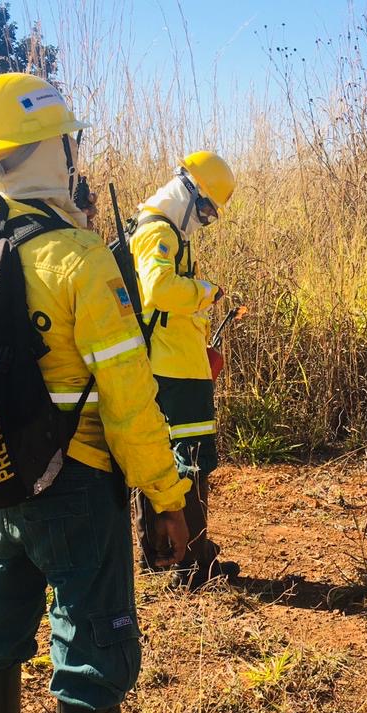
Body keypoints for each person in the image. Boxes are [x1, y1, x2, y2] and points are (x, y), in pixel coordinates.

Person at [0, 72, 190, 713]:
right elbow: (129, 400)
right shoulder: (82, 258)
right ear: (56, 149)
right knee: (88, 644)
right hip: (79, 488)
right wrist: (167, 494)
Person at [131, 152, 240, 589]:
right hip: (174, 371)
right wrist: (206, 292)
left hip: (179, 364)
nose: (207, 221)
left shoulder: (166, 232)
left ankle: (164, 556)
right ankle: (192, 562)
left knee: (168, 459)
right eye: (208, 210)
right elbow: (158, 289)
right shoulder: (158, 231)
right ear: (189, 192)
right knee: (192, 460)